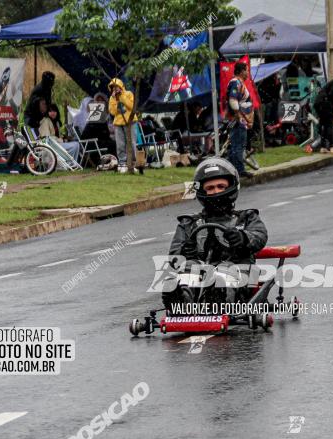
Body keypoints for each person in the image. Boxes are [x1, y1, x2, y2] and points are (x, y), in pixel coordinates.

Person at [163, 157, 268, 313]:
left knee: (225, 270)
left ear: (231, 187)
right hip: (202, 273)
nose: (216, 192)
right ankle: (181, 301)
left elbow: (259, 235)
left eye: (220, 186)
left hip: (238, 272)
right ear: (201, 192)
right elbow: (174, 254)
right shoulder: (190, 223)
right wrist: (185, 251)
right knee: (189, 267)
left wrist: (243, 238)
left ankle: (217, 298)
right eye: (210, 188)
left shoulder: (246, 218)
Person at [226, 61, 254, 178]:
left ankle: (234, 170)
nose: (248, 73)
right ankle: (239, 170)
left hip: (241, 119)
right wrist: (239, 116)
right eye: (247, 70)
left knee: (238, 145)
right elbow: (233, 100)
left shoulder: (239, 83)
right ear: (242, 71)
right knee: (238, 145)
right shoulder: (236, 83)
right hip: (238, 119)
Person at [108, 78, 138, 173]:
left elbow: (131, 106)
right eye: (113, 88)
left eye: (116, 87)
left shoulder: (129, 94)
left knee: (132, 143)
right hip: (118, 123)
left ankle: (133, 162)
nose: (115, 89)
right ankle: (122, 163)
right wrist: (115, 99)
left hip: (130, 122)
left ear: (121, 86)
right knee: (120, 144)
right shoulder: (112, 98)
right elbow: (112, 112)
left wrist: (122, 97)